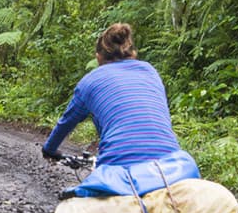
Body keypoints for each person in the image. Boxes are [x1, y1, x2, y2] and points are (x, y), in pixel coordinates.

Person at [42, 23, 182, 166]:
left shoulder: (90, 80)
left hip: (118, 161)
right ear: (132, 53)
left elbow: (67, 121)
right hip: (172, 161)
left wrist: (49, 149)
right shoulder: (150, 71)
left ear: (98, 57)